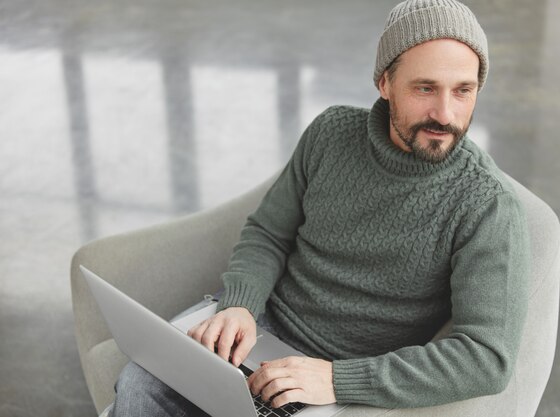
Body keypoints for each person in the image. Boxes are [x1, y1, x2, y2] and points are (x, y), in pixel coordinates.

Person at [109, 0, 530, 415]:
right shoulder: (331, 133)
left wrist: (335, 379)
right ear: (385, 83)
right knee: (139, 383)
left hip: (344, 373)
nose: (445, 113)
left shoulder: (487, 206)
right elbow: (269, 233)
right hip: (264, 326)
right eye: (425, 88)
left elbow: (486, 359)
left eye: (463, 91)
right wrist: (240, 303)